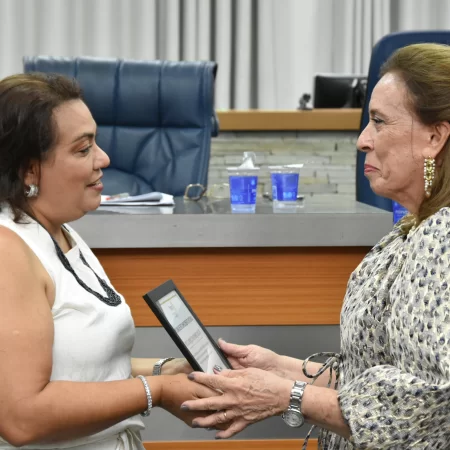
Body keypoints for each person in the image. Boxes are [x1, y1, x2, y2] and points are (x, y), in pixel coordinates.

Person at [181, 43, 450, 449]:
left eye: (379, 122)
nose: (363, 140)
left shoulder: (443, 237)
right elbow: (374, 381)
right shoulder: (411, 229)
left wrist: (285, 396)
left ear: (435, 136)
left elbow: (426, 404)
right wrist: (279, 369)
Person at [0, 73, 218, 450]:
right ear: (29, 169)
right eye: (83, 149)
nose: (104, 158)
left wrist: (165, 369)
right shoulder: (9, 253)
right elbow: (22, 417)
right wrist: (156, 390)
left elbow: (80, 365)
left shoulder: (60, 231)